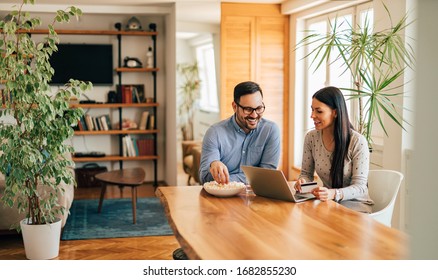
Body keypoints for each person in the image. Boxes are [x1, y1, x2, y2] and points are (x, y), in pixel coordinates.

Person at [294, 86, 373, 213]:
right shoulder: (311, 138)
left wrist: (334, 193)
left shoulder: (357, 141)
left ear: (335, 112)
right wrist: (303, 182)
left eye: (319, 111)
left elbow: (360, 188)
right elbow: (306, 174)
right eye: (312, 110)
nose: (312, 115)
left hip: (355, 206)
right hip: (329, 205)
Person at [199, 81, 281, 185]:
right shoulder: (215, 133)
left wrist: (226, 180)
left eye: (259, 108)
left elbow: (267, 176)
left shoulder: (270, 131)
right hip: (220, 198)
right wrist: (213, 165)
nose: (254, 115)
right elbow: (204, 177)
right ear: (234, 106)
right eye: (248, 109)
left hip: (255, 198)